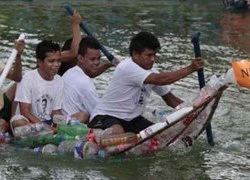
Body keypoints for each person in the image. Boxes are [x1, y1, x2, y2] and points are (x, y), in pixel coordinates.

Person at [88, 31, 204, 135]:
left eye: (154, 55)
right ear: (135, 54)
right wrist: (190, 68)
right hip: (105, 117)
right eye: (148, 55)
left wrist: (194, 111)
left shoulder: (152, 73)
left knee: (162, 135)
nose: (153, 59)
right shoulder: (127, 67)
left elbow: (171, 100)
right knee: (118, 131)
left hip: (132, 120)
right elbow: (161, 79)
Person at [61, 36, 118, 124]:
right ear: (80, 58)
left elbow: (92, 73)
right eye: (92, 59)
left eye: (98, 58)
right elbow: (99, 113)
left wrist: (109, 65)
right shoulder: (84, 82)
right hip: (72, 128)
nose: (97, 63)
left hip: (65, 121)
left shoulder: (70, 72)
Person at [11, 40, 63, 133]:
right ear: (39, 62)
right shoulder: (28, 78)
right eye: (51, 61)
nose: (56, 64)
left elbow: (56, 112)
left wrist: (62, 126)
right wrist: (45, 127)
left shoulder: (59, 80)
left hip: (47, 122)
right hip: (29, 122)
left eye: (58, 61)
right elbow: (25, 112)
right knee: (18, 122)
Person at [0, 38, 25, 133]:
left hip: (1, 105)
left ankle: (11, 120)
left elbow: (17, 78)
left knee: (19, 83)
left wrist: (18, 56)